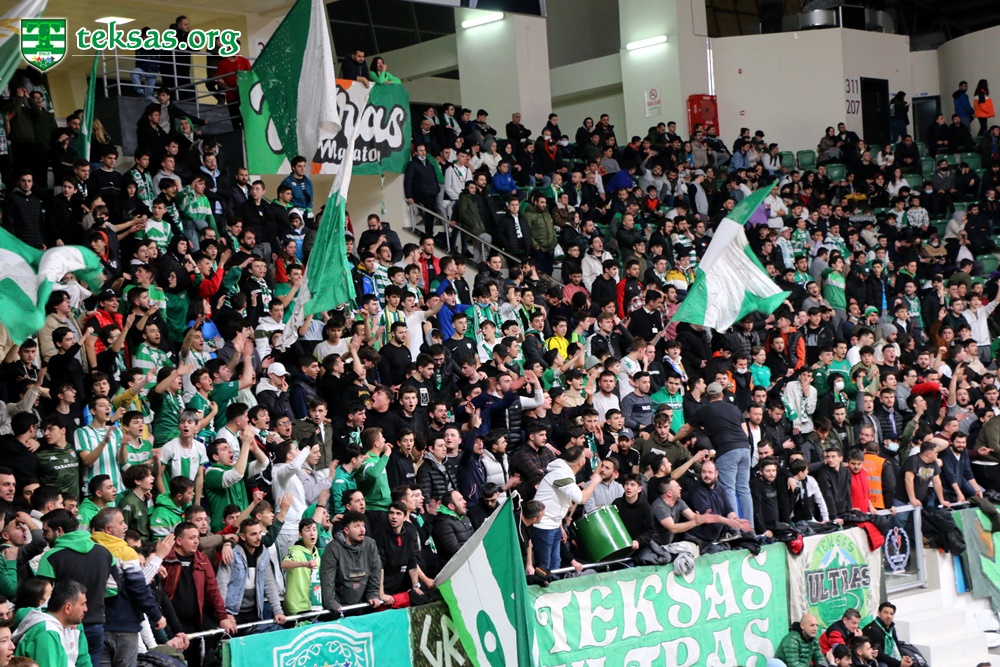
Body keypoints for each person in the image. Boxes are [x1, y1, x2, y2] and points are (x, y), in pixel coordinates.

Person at [35, 510, 112, 667]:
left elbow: (41, 597)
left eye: (46, 531)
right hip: (96, 623)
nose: (44, 536)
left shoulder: (50, 557)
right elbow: (114, 588)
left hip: (62, 627)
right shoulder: (104, 552)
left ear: (59, 530)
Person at [672, 382, 754, 521]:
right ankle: (750, 528)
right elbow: (745, 433)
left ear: (706, 396)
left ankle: (734, 528)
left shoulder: (704, 411)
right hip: (745, 448)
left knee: (728, 489)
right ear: (722, 394)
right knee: (744, 489)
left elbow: (686, 429)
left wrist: (673, 439)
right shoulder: (734, 409)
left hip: (727, 450)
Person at [532, 447, 601, 572]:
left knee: (555, 563)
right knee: (544, 566)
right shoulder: (561, 474)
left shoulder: (563, 471)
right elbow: (581, 499)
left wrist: (560, 525)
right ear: (581, 462)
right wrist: (594, 482)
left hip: (553, 523)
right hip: (544, 525)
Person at [216, 518, 287, 629]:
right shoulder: (232, 554)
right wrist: (224, 614)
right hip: (233, 613)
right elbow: (221, 584)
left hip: (255, 612)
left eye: (259, 533)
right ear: (243, 536)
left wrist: (278, 611)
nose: (258, 537)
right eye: (253, 534)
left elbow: (269, 583)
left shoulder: (264, 553)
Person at [320, 510, 389, 612]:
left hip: (362, 602)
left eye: (363, 525)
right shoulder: (333, 548)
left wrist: (373, 594)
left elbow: (376, 571)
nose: (362, 530)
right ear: (346, 530)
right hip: (339, 605)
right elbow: (327, 579)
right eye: (357, 526)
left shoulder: (370, 544)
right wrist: (331, 603)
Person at [12, 580, 90, 667]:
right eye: (83, 604)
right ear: (68, 608)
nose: (86, 609)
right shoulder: (47, 632)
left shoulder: (58, 626)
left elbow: (84, 660)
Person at [862, 602, 914, 667]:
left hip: (890, 660)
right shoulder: (873, 630)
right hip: (876, 662)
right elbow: (879, 655)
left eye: (891, 614)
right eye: (885, 613)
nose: (888, 616)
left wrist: (904, 657)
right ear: (879, 613)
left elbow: (897, 646)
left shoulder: (891, 628)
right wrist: (899, 664)